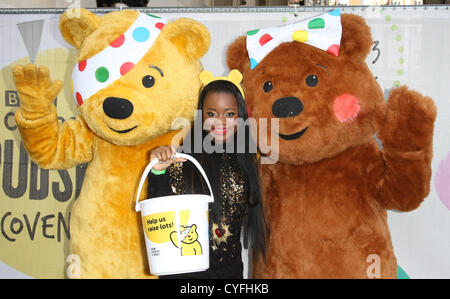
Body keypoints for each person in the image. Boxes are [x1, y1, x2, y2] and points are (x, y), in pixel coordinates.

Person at [147, 70, 267, 279]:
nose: (220, 122)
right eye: (211, 114)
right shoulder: (182, 159)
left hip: (230, 275)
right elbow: (159, 217)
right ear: (200, 115)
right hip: (181, 274)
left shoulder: (249, 162)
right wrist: (158, 170)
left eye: (229, 114)